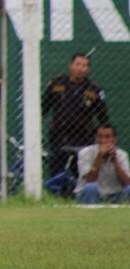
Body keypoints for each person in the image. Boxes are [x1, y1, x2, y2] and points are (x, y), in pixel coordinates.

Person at [42, 53, 110, 181]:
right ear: (71, 65)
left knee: (80, 173)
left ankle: (79, 191)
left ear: (88, 69)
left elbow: (103, 117)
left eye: (84, 65)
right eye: (78, 64)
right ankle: (57, 191)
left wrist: (104, 140)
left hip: (83, 137)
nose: (80, 68)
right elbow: (43, 109)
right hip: (59, 136)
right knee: (57, 172)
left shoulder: (94, 89)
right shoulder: (56, 84)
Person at [74, 126, 130, 205]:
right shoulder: (85, 153)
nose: (103, 141)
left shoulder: (122, 155)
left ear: (115, 139)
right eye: (100, 137)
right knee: (91, 187)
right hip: (89, 195)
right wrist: (99, 156)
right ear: (96, 139)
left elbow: (127, 182)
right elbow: (90, 179)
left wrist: (115, 160)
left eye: (107, 137)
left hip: (115, 195)